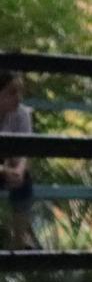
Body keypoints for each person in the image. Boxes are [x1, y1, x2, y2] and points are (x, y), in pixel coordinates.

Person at [1, 67, 39, 249]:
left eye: (20, 92)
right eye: (12, 92)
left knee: (24, 182)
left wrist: (19, 171)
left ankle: (19, 240)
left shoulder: (22, 114)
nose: (18, 98)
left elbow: (24, 150)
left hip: (9, 164)